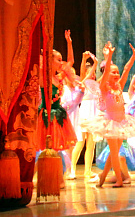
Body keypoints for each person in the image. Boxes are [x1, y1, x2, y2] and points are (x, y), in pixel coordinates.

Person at [80, 43, 135, 187]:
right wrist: (109, 56)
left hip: (122, 122)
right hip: (110, 123)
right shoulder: (104, 87)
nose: (116, 74)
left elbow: (126, 69)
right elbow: (105, 74)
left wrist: (134, 56)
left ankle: (102, 177)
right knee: (115, 152)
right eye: (113, 72)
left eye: (117, 72)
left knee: (114, 152)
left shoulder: (119, 86)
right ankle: (119, 180)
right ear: (107, 74)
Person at [36, 30, 79, 188]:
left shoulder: (59, 77)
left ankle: (58, 178)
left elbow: (71, 61)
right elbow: (39, 63)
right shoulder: (44, 77)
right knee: (47, 149)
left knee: (58, 149)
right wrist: (44, 53)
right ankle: (43, 178)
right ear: (49, 60)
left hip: (58, 116)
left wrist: (69, 42)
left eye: (61, 60)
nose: (62, 63)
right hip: (47, 115)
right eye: (58, 60)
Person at [68, 51, 100, 181]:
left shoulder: (97, 85)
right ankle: (71, 169)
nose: (93, 75)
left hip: (94, 114)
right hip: (85, 113)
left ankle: (88, 171)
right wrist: (84, 59)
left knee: (91, 144)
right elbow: (83, 73)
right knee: (80, 143)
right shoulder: (84, 83)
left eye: (94, 73)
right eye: (90, 73)